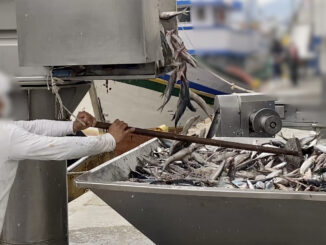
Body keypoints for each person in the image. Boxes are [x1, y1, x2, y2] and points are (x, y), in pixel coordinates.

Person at [0, 72, 134, 232]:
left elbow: (33, 127)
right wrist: (109, 140)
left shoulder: (7, 131)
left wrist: (73, 126)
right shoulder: (6, 135)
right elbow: (57, 148)